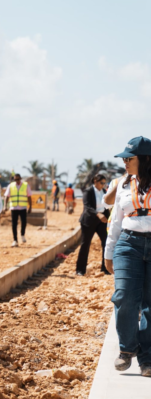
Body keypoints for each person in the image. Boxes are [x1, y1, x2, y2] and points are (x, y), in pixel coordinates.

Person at [104, 136, 151, 376]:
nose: (124, 162)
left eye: (129, 158)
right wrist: (109, 251)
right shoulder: (123, 183)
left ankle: (147, 359)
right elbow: (116, 220)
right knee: (124, 296)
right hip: (128, 245)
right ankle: (127, 349)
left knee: (149, 306)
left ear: (144, 159)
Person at [75, 173, 109, 276]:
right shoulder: (88, 191)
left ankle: (105, 269)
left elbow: (106, 206)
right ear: (95, 181)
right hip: (89, 221)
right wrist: (98, 214)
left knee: (106, 243)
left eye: (104, 183)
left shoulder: (104, 192)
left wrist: (107, 217)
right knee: (85, 244)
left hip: (101, 222)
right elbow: (87, 206)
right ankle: (80, 270)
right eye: (101, 183)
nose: (103, 185)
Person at [4, 173, 32, 247]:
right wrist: (5, 206)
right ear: (14, 179)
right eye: (15, 179)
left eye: (18, 179)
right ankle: (15, 240)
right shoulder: (11, 186)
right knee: (14, 224)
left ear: (21, 178)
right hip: (14, 208)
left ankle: (22, 234)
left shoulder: (26, 185)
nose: (17, 181)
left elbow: (29, 196)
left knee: (24, 222)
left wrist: (30, 207)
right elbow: (6, 196)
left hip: (23, 207)